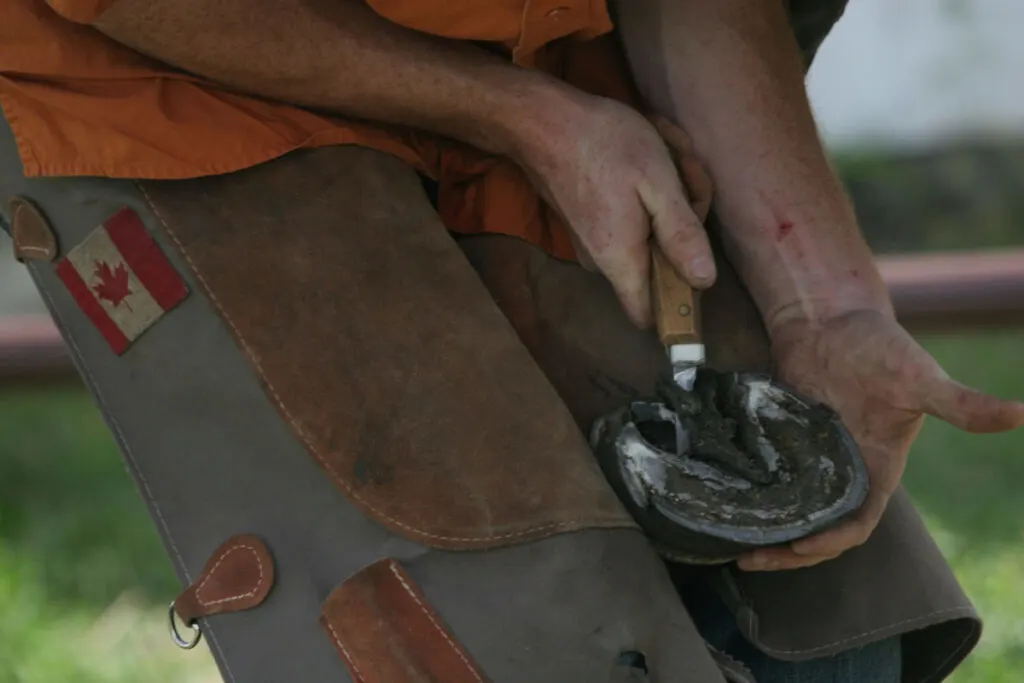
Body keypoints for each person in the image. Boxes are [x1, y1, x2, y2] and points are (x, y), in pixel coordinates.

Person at [1, 1, 1021, 681]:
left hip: (538, 40)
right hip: (175, 75)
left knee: (836, 625)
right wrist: (520, 118)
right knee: (511, 629)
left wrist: (825, 309)